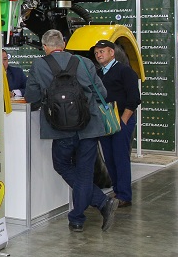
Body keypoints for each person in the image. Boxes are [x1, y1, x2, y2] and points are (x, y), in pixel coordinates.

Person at [25, 29, 118, 233]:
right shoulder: (84, 62)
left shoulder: (39, 65)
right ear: (64, 44)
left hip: (60, 128)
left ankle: (85, 214)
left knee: (62, 165)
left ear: (45, 47)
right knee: (84, 173)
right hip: (89, 127)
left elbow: (31, 96)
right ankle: (91, 208)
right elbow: (102, 93)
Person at [93, 39, 141, 208]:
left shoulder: (125, 71)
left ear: (112, 52)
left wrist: (124, 120)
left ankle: (124, 195)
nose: (98, 55)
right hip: (105, 121)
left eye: (102, 51)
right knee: (110, 158)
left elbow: (134, 98)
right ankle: (117, 190)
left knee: (120, 158)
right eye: (96, 53)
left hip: (121, 119)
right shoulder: (98, 74)